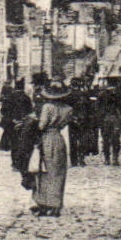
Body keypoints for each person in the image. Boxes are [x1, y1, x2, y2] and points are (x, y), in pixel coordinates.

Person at [32, 84, 74, 216]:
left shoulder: (47, 107)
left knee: (44, 171)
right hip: (59, 139)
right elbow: (65, 123)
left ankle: (44, 203)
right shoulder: (68, 109)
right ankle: (56, 205)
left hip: (47, 139)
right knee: (59, 172)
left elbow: (41, 125)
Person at [99, 81, 121, 165]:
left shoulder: (120, 95)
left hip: (116, 118)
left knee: (115, 138)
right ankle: (107, 158)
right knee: (106, 139)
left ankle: (115, 157)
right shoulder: (102, 95)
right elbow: (98, 107)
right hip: (106, 119)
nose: (112, 89)